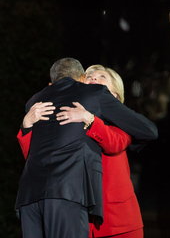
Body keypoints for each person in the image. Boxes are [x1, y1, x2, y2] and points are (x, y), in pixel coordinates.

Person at [15, 58, 157, 238]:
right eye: (89, 76)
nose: (94, 80)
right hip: (83, 215)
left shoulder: (119, 124)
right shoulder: (73, 113)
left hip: (115, 220)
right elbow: (38, 156)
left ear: (114, 94)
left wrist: (90, 120)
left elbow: (115, 143)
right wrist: (26, 126)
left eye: (101, 77)